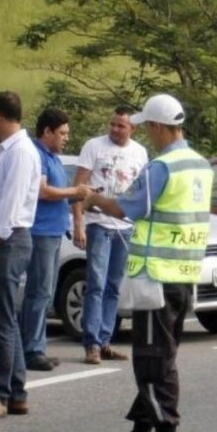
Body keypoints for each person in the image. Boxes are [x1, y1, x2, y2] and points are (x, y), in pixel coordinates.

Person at [83, 94, 211, 432]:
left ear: (157, 127)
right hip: (183, 277)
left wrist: (93, 199)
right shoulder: (200, 165)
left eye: (146, 126)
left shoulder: (162, 167)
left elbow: (128, 207)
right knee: (161, 358)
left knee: (153, 363)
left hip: (156, 279)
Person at [0, 91, 41, 421]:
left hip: (7, 240)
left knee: (1, 324)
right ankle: (17, 391)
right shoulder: (12, 151)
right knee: (7, 321)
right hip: (5, 239)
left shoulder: (20, 153)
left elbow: (11, 206)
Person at [72, 106, 149, 364]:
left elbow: (141, 191)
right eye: (112, 124)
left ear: (132, 128)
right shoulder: (94, 146)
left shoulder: (140, 152)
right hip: (98, 224)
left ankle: (105, 340)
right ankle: (91, 343)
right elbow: (79, 188)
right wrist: (79, 223)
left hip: (124, 227)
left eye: (121, 126)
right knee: (96, 284)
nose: (115, 130)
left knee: (114, 286)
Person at [22, 108, 92, 371]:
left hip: (52, 232)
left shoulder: (53, 157)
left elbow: (59, 194)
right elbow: (42, 191)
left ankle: (36, 346)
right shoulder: (37, 156)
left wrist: (81, 196)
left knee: (46, 291)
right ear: (47, 131)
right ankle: (31, 350)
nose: (66, 138)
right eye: (62, 133)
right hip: (39, 233)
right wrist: (75, 190)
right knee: (39, 291)